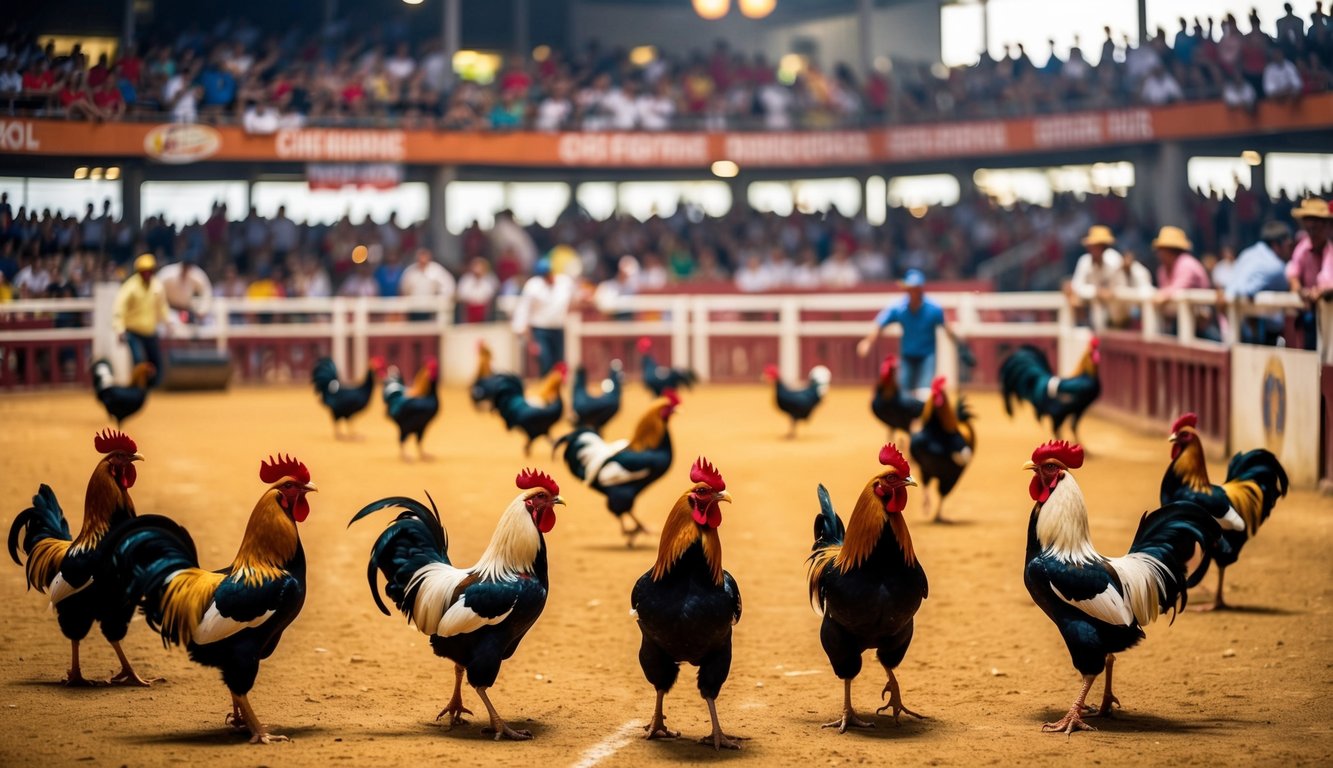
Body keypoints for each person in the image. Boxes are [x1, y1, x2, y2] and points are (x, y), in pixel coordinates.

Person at [856, 269, 964, 400]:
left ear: (920, 290)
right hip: (908, 355)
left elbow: (947, 328)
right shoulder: (899, 307)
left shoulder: (933, 309)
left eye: (915, 289)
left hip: (927, 356)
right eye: (910, 289)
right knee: (904, 392)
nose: (912, 292)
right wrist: (867, 342)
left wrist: (960, 345)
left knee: (924, 393)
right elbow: (879, 324)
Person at [1226, 221, 1295, 345]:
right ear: (1276, 244)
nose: (1290, 248)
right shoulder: (1275, 266)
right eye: (1287, 244)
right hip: (1257, 333)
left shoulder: (1247, 253)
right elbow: (1245, 291)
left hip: (1234, 327)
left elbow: (1233, 288)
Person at [112, 253, 169, 387]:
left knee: (155, 361)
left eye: (150, 271)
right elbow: (119, 308)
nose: (147, 275)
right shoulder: (130, 287)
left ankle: (152, 387)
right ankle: (138, 386)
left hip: (150, 330)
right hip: (133, 331)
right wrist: (119, 328)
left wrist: (167, 322)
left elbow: (162, 306)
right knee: (139, 359)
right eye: (145, 272)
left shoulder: (157, 286)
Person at [511, 257, 574, 375]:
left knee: (559, 362)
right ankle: (546, 387)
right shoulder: (533, 286)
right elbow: (524, 308)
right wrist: (520, 327)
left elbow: (574, 295)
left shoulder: (564, 283)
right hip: (540, 330)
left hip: (558, 329)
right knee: (545, 360)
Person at [1152, 226, 1215, 339]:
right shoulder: (1163, 270)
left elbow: (1176, 289)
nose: (1159, 253)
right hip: (1179, 322)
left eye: (1161, 249)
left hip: (1204, 325)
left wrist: (1161, 297)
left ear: (1170, 250)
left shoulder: (1186, 264)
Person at [1287, 198, 1333, 349]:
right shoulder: (1303, 248)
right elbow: (1293, 274)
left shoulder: (1330, 251)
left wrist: (1320, 291)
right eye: (1309, 229)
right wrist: (1300, 291)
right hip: (1309, 312)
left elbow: (1327, 280)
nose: (1312, 233)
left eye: (1316, 229)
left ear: (1327, 227)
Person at [1066, 225, 1128, 330]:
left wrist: (1110, 292)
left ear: (1104, 247)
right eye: (1092, 246)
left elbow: (1122, 286)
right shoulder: (1084, 261)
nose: (1094, 250)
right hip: (1093, 311)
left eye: (1097, 246)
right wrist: (1096, 291)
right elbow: (1077, 286)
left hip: (1116, 313)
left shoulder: (1114, 260)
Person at [399, 247, 456, 321]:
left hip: (432, 308)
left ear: (429, 257)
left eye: (424, 256)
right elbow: (404, 288)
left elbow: (448, 287)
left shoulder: (437, 270)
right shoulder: (410, 271)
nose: (422, 259)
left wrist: (440, 299)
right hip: (414, 308)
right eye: (420, 256)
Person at [156, 256, 213, 326]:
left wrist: (202, 309)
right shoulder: (168, 273)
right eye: (185, 267)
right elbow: (156, 289)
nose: (186, 270)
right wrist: (161, 308)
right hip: (169, 309)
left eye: (188, 268)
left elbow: (206, 292)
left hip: (188, 310)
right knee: (171, 322)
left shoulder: (196, 274)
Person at [456, 257, 499, 323]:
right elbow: (461, 294)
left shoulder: (490, 278)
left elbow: (491, 293)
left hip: (485, 309)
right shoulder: (466, 279)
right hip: (469, 309)